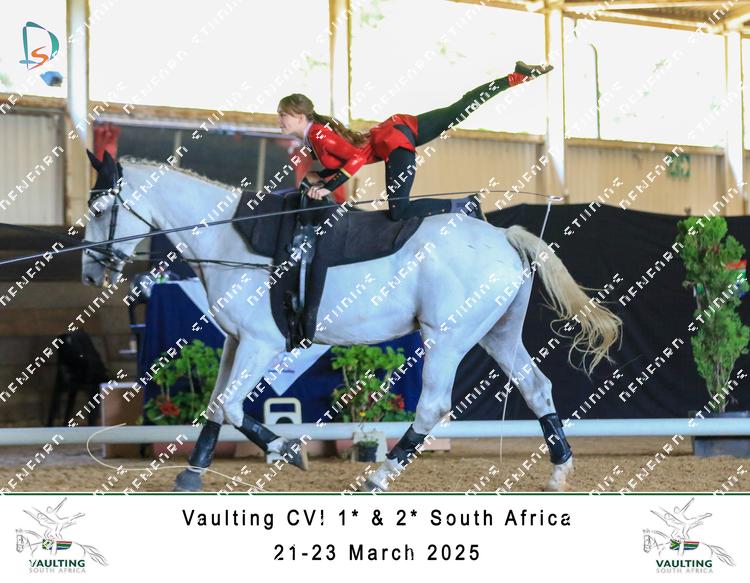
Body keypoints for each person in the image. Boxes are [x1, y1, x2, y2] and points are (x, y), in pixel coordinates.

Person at [277, 60, 553, 221]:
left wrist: (328, 186)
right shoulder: (314, 136)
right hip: (398, 130)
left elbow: (356, 158)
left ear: (299, 116)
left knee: (399, 212)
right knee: (460, 108)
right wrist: (319, 178)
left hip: (395, 144)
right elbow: (344, 158)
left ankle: (463, 205)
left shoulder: (318, 133)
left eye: (283, 115)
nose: (280, 120)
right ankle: (516, 77)